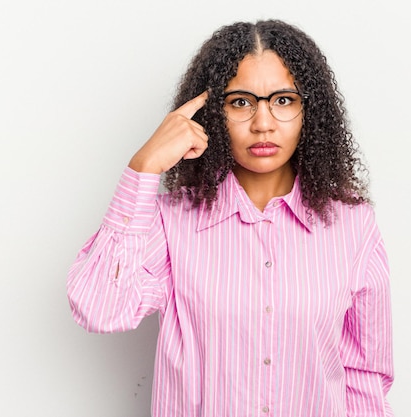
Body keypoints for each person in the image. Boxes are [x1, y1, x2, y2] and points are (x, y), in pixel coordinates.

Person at [67, 19, 393, 417]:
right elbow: (100, 308)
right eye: (240, 102)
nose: (263, 123)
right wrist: (144, 166)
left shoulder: (353, 225)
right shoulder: (170, 223)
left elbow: (363, 377)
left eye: (284, 100)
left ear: (311, 111)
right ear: (211, 114)